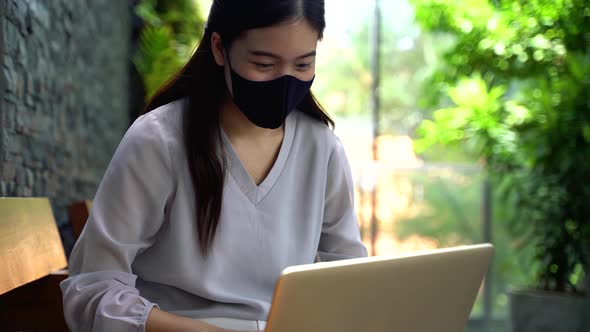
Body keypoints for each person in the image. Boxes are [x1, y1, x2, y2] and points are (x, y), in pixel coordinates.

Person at [60, 0, 367, 331]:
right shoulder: (159, 139)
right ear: (220, 48)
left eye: (304, 65)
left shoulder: (323, 150)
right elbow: (93, 289)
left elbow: (348, 281)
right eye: (264, 64)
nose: (285, 82)